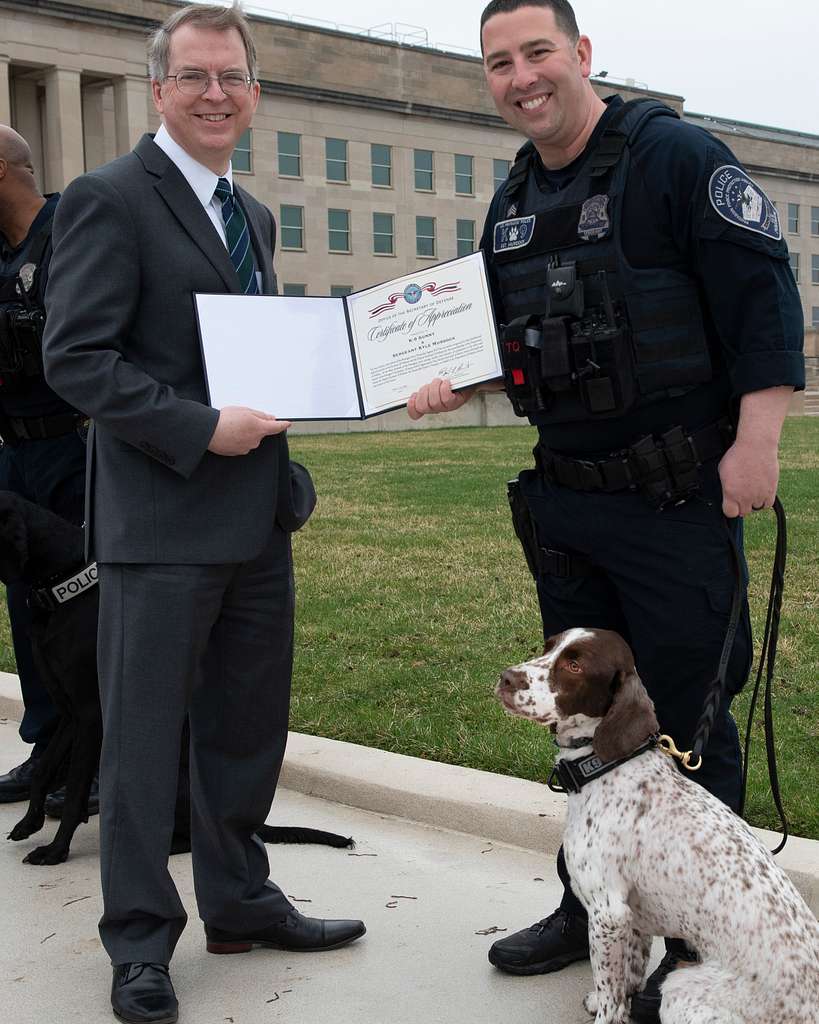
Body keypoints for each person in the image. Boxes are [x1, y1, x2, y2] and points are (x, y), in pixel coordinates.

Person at [408, 2, 804, 1022]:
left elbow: (764, 297)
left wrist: (757, 441)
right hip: (569, 507)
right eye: (499, 63)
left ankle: (695, 935)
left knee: (688, 721)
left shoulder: (674, 158)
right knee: (586, 728)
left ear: (582, 54)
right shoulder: (511, 201)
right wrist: (460, 378)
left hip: (678, 499)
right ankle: (592, 908)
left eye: (538, 52)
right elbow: (522, 341)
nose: (521, 76)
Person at [42, 6, 365, 1023]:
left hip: (255, 523)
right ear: (159, 90)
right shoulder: (107, 200)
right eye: (195, 77)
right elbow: (77, 360)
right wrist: (197, 428)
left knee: (244, 729)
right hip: (161, 522)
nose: (215, 94)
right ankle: (139, 939)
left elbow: (262, 361)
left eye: (231, 77)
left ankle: (238, 899)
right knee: (142, 746)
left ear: (254, 92)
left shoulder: (254, 216)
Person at [0, 125, 90, 810]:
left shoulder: (72, 232)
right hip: (15, 452)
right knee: (29, 604)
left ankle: (94, 758)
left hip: (74, 444)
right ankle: (47, 747)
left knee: (84, 608)